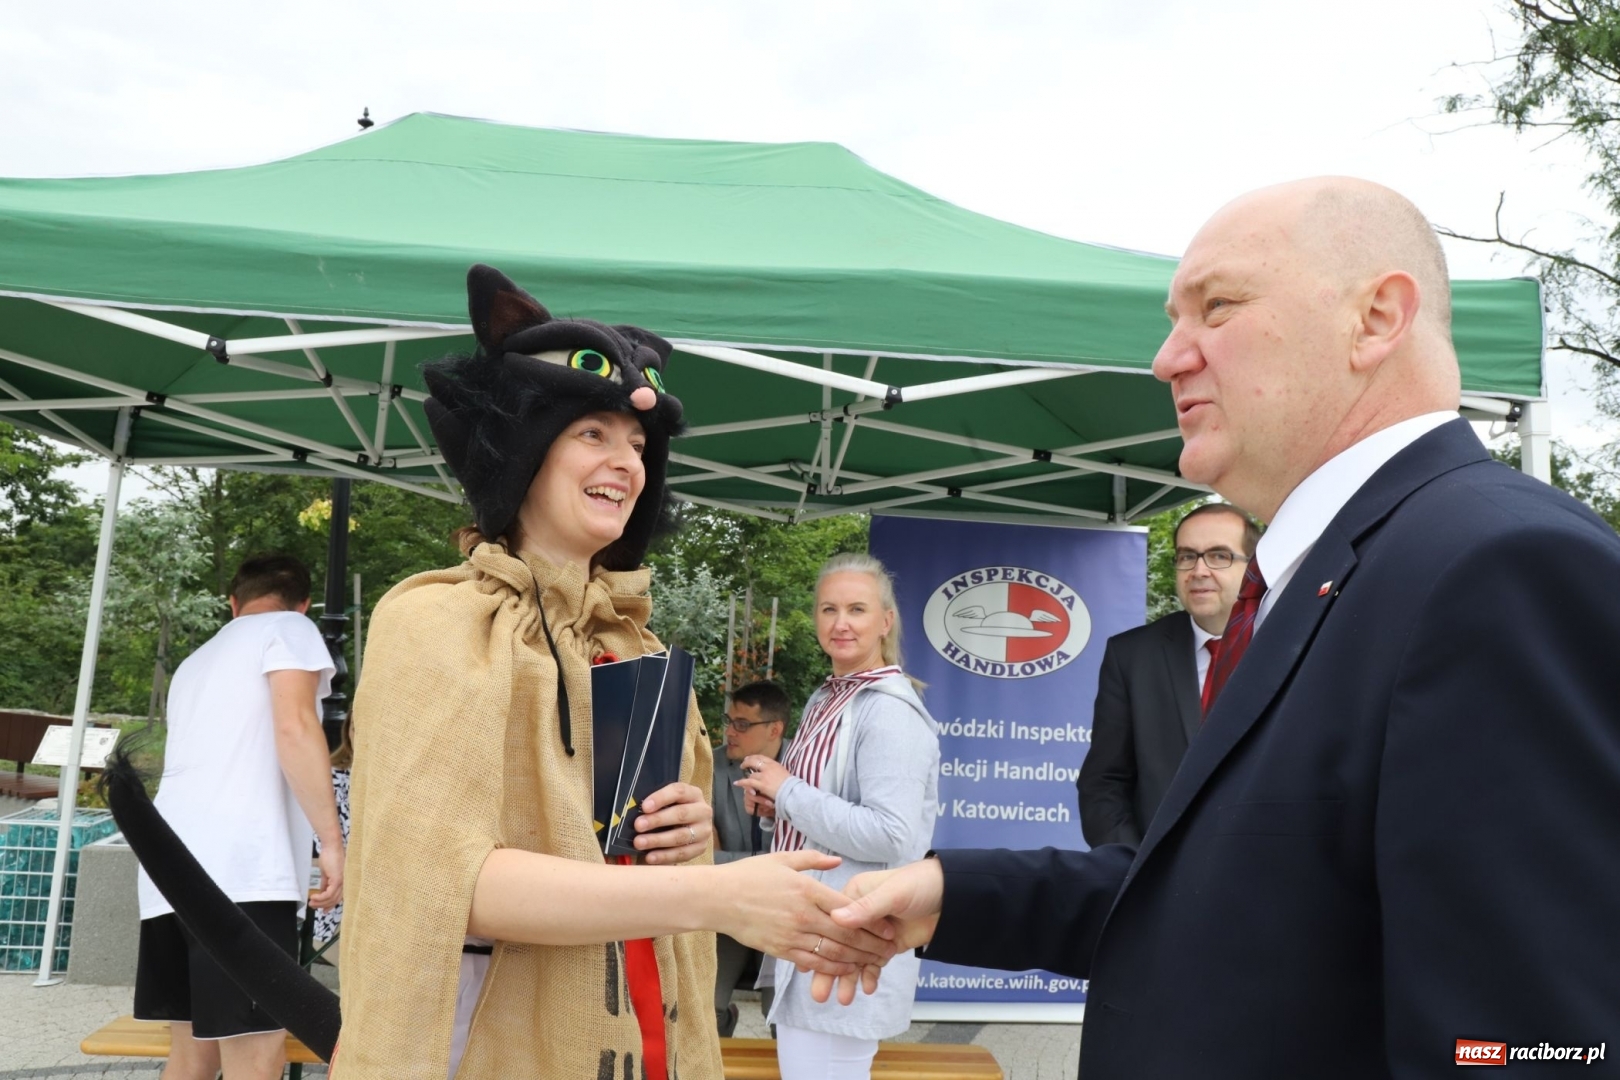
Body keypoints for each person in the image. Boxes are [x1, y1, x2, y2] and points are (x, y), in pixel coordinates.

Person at [821, 179, 1620, 1077]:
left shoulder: (1498, 567)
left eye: (1219, 307)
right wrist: (955, 891)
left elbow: (1529, 1043)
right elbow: (1236, 894)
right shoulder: (1332, 572)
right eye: (1174, 320)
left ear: (1375, 319)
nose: (1167, 358)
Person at [335, 266, 889, 1080]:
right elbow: (443, 882)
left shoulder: (635, 645)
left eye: (636, 444)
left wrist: (689, 836)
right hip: (490, 1049)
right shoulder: (435, 622)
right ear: (523, 449)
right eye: (592, 433)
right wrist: (716, 895)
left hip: (645, 1036)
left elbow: (637, 854)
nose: (626, 462)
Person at [133, 554, 343, 1080]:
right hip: (242, 873)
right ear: (303, 603)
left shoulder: (195, 662)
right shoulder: (290, 629)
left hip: (168, 872)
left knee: (193, 1056)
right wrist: (331, 842)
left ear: (233, 603)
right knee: (256, 1053)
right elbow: (295, 727)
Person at [736, 553, 940, 1080]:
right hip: (817, 932)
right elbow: (819, 811)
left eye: (857, 609)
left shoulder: (887, 709)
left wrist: (787, 791)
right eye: (829, 609)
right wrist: (774, 806)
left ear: (885, 621)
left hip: (848, 942)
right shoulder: (827, 698)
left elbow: (891, 836)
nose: (841, 623)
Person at [1076, 503, 1258, 846]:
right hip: (1157, 869)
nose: (1199, 570)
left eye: (1219, 556)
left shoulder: (1294, 646)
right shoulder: (1132, 655)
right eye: (1187, 556)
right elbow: (1103, 783)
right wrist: (1132, 864)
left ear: (1253, 567)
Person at [711, 680, 792, 1035]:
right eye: (729, 721)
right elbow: (703, 858)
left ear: (775, 729)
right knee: (703, 1010)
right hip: (727, 908)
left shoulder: (806, 768)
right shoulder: (710, 766)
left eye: (742, 724)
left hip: (787, 910)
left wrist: (731, 859)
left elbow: (809, 854)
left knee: (785, 1015)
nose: (730, 731)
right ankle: (723, 1024)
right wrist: (773, 862)